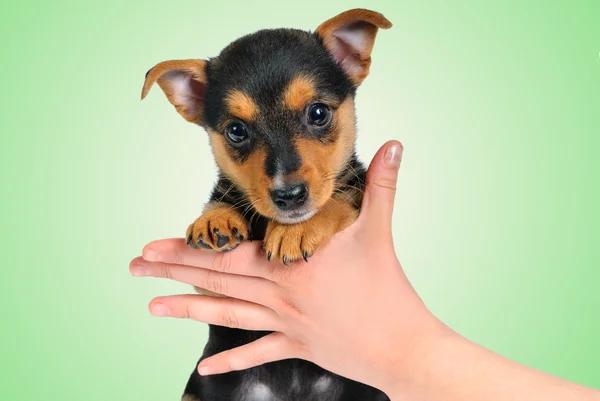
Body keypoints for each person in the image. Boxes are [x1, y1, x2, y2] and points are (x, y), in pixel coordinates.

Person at [130, 141, 600, 401]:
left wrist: (405, 354)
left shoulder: (343, 194)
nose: (283, 174)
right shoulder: (233, 199)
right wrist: (221, 223)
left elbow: (348, 207)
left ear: (351, 61)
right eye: (238, 132)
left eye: (316, 117)